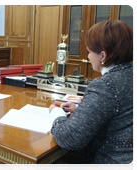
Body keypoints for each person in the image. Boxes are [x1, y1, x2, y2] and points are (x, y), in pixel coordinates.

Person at [49, 20, 135, 169]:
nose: (88, 57)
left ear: (103, 55)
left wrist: (56, 113)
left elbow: (69, 138)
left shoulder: (105, 85)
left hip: (113, 163)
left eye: (89, 51)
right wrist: (82, 112)